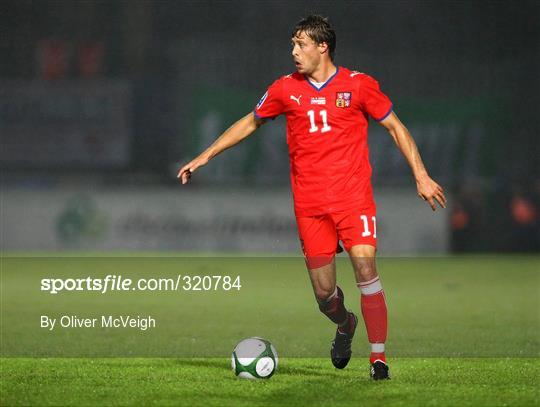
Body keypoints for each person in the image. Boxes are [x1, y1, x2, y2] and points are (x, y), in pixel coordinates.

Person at [178, 15, 446, 380]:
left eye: (301, 44)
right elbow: (250, 121)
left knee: (366, 268)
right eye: (292, 44)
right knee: (325, 297)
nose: (294, 52)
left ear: (323, 47)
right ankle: (346, 324)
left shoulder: (359, 85)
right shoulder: (284, 89)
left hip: (353, 199)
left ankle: (378, 359)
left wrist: (421, 174)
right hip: (310, 206)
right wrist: (204, 156)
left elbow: (395, 126)